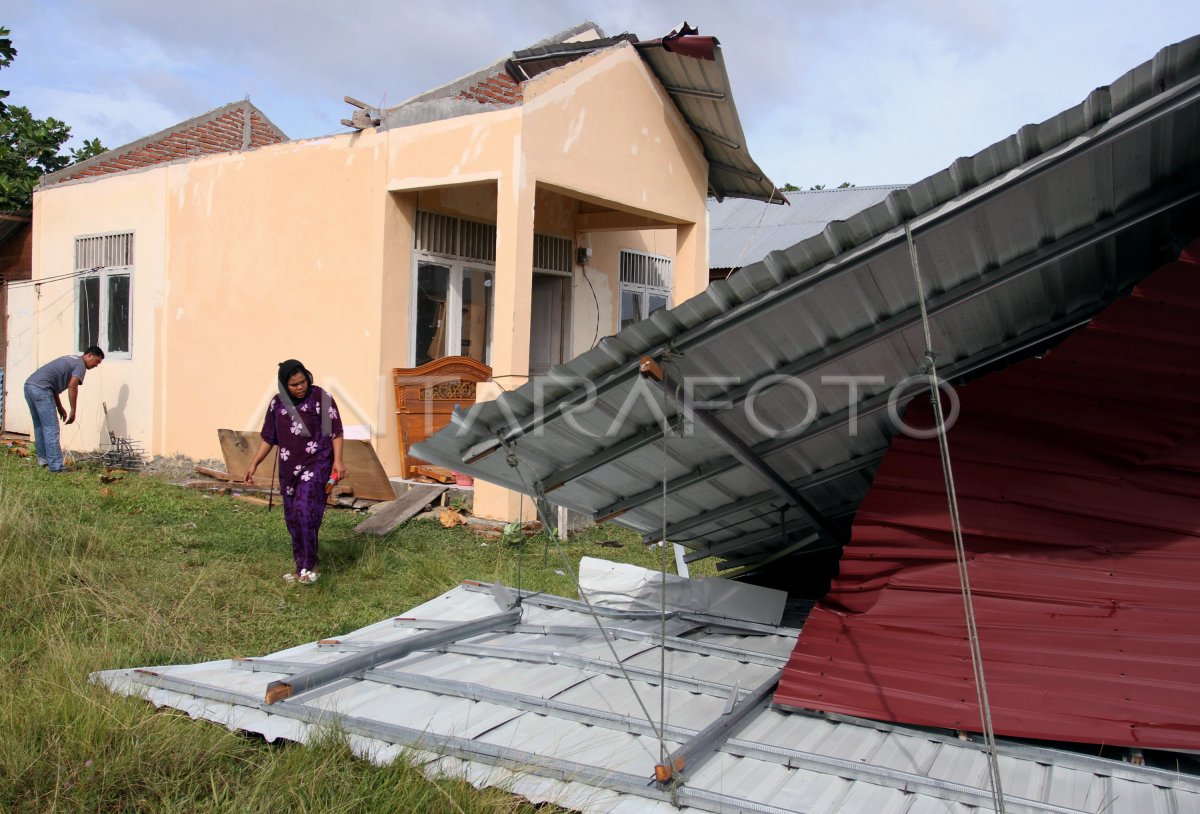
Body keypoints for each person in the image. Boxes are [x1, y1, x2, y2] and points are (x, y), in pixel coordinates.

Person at [245, 359, 346, 585]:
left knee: (304, 510)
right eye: (294, 385)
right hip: (289, 467)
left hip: (317, 463)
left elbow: (335, 433)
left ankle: (311, 566)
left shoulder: (321, 399)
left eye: (303, 382)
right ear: (284, 385)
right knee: (292, 517)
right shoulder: (277, 404)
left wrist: (338, 461)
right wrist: (254, 463)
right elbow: (268, 438)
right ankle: (301, 567)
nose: (300, 387)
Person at [24, 346, 105, 472]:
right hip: (41, 389)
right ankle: (56, 467)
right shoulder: (80, 365)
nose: (96, 365)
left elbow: (52, 384)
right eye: (97, 362)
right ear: (89, 355)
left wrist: (60, 407)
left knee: (40, 426)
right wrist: (73, 410)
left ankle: (43, 461)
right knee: (51, 428)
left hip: (30, 386)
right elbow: (72, 385)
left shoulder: (71, 359)